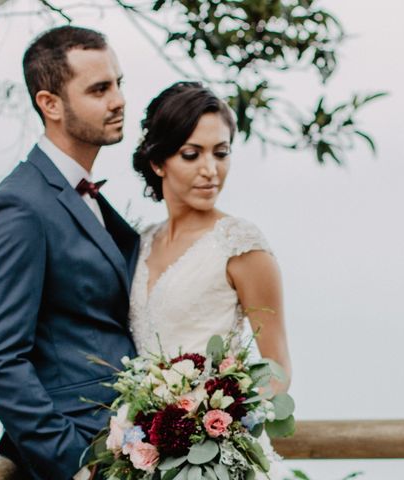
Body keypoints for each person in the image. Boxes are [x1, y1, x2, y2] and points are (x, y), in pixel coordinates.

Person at [0, 26, 139, 480]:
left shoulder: (83, 196)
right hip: (83, 452)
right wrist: (75, 465)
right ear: (50, 104)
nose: (119, 100)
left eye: (119, 83)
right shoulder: (21, 204)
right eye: (99, 89)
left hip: (127, 445)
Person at [130, 81, 292, 477]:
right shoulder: (139, 243)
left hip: (216, 461)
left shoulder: (242, 245)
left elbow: (277, 366)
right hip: (145, 456)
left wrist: (217, 421)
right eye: (191, 154)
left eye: (221, 153)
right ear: (158, 162)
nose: (210, 170)